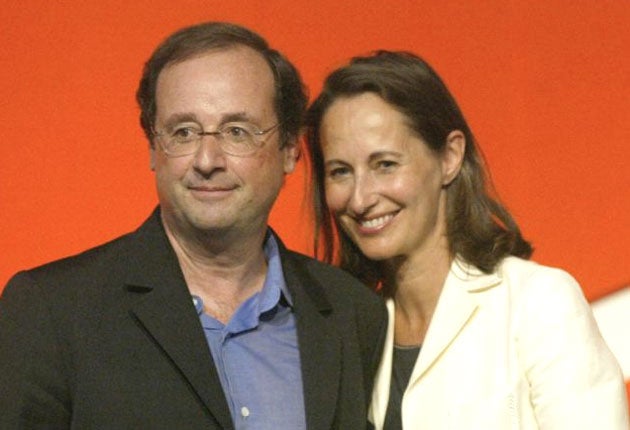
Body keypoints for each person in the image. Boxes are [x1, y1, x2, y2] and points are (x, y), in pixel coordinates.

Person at [0, 22, 387, 429]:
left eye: (237, 131)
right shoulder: (52, 312)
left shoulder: (352, 313)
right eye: (183, 132)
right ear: (154, 148)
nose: (207, 160)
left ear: (289, 149)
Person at [305, 50, 629, 429]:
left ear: (450, 156)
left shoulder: (537, 303)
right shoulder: (348, 330)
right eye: (341, 171)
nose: (360, 199)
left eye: (385, 165)